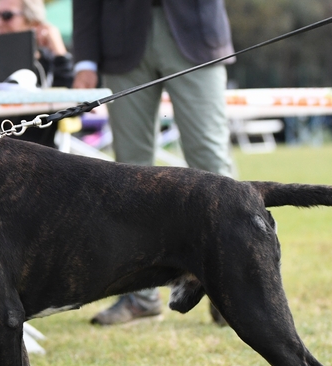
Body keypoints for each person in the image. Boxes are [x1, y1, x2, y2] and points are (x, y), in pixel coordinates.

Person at [72, 0, 234, 326]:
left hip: (196, 35)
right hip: (122, 42)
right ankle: (140, 297)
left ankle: (232, 288)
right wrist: (85, 60)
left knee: (211, 160)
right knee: (130, 176)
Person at [0, 0, 74, 148]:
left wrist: (59, 52)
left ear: (34, 22)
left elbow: (72, 106)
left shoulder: (48, 63)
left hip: (39, 157)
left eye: (7, 15)